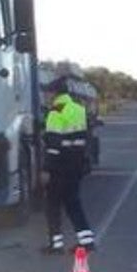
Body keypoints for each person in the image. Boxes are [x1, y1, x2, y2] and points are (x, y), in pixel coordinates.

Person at [41, 66, 95, 254]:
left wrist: (47, 169)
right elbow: (85, 137)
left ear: (55, 94)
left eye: (48, 93)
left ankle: (56, 244)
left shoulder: (56, 112)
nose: (46, 97)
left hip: (60, 167)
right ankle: (87, 241)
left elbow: (54, 146)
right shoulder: (78, 109)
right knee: (73, 203)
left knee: (52, 204)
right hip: (77, 163)